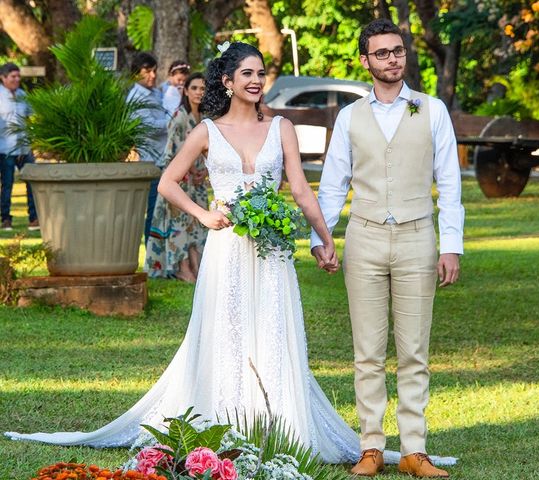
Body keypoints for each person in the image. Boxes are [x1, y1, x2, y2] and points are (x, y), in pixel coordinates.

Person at [6, 43, 457, 468]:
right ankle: (223, 420)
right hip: (226, 250)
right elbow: (167, 182)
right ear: (227, 80)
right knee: (227, 331)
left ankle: (279, 426)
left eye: (261, 73)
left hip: (273, 252)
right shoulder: (206, 131)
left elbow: (300, 189)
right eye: (248, 73)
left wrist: (324, 238)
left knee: (273, 331)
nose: (257, 80)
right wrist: (203, 215)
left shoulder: (280, 128)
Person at [310, 19, 464, 478]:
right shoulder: (349, 117)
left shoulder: (431, 109)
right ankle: (371, 446)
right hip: (365, 235)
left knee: (414, 350)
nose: (392, 59)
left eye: (397, 51)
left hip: (418, 236)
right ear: (366, 61)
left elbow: (450, 183)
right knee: (368, 350)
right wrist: (323, 238)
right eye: (382, 53)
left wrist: (451, 245)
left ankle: (415, 450)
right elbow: (333, 183)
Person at [145, 72, 208, 282]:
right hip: (179, 181)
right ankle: (182, 267)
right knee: (180, 225)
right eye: (195, 88)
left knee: (198, 224)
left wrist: (204, 171)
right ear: (186, 91)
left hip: (198, 182)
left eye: (203, 88)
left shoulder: (206, 119)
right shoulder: (179, 116)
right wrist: (187, 170)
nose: (199, 92)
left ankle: (196, 266)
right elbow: (170, 152)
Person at [127, 52, 172, 244]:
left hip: (166, 157)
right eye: (147, 71)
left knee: (165, 209)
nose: (152, 75)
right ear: (136, 73)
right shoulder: (135, 97)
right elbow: (149, 126)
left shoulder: (155, 92)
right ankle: (151, 257)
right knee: (153, 210)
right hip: (151, 161)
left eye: (154, 71)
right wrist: (172, 120)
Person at [0, 62, 39, 231]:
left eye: (18, 76)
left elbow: (32, 117)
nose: (17, 79)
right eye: (13, 76)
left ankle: (34, 218)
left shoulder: (23, 95)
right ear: (3, 78)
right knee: (7, 185)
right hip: (5, 149)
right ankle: (6, 219)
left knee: (33, 182)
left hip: (24, 149)